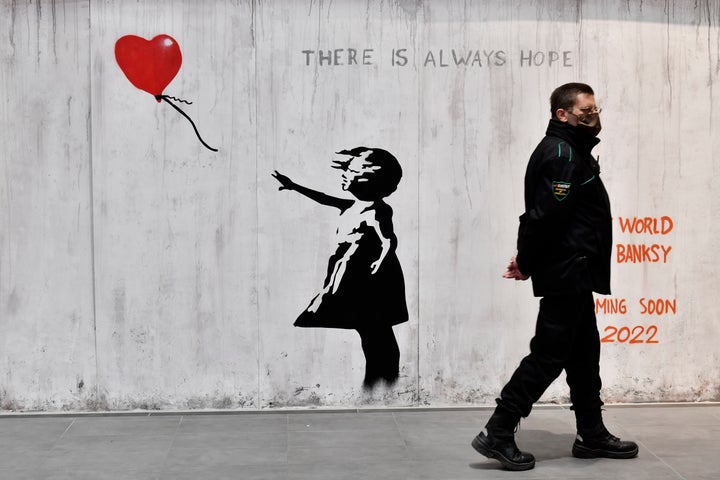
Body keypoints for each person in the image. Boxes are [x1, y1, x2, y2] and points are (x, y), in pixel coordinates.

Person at [471, 83, 638, 471]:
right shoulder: (562, 154)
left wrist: (529, 260)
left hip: (574, 270)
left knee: (583, 354)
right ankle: (498, 430)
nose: (593, 116)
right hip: (567, 270)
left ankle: (591, 433)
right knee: (548, 355)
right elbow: (545, 219)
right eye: (585, 111)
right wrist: (527, 262)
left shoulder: (571, 150)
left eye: (596, 109)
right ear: (562, 114)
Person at [272, 147, 408, 390]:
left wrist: (380, 261)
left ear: (371, 180)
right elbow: (323, 198)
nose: (344, 174)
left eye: (352, 171)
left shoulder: (377, 210)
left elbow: (389, 240)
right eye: (346, 169)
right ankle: (379, 380)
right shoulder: (351, 205)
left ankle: (383, 381)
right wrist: (293, 186)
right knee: (371, 330)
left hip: (368, 273)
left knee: (376, 330)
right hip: (348, 268)